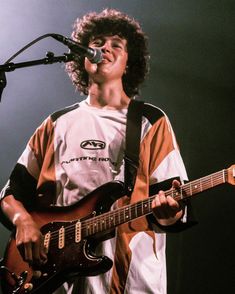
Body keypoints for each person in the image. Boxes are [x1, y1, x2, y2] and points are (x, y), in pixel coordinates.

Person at [0, 8, 195, 294]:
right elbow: (10, 195)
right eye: (98, 42)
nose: (105, 48)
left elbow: (173, 207)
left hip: (132, 283)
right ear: (82, 56)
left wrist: (171, 210)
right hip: (53, 282)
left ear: (129, 62)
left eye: (116, 44)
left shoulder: (149, 121)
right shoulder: (56, 124)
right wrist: (24, 222)